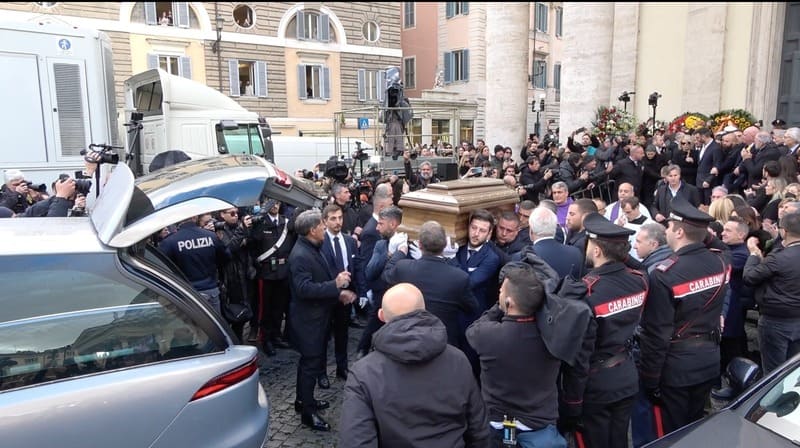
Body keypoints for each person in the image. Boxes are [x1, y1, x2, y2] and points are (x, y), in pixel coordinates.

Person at [339, 283, 490, 447]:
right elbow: (478, 430)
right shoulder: (458, 359)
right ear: (425, 311)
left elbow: (356, 441)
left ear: (381, 316)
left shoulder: (364, 372)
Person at [638, 198, 729, 436]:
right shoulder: (720, 260)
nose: (666, 231)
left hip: (675, 367)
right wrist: (701, 233)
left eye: (669, 227)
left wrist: (650, 378)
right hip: (708, 359)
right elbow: (720, 245)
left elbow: (657, 334)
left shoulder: (664, 274)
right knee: (696, 426)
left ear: (679, 231)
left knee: (672, 435)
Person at [559, 213, 648, 448]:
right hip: (626, 375)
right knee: (619, 440)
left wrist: (572, 401)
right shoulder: (639, 280)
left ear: (597, 251)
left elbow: (580, 356)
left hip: (596, 385)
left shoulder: (587, 291)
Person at [466, 263, 567, 448]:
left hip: (496, 423)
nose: (499, 294)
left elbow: (473, 330)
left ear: (509, 302)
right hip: (539, 426)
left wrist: (498, 307)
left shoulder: (488, 335)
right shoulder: (554, 336)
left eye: (501, 292)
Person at [288, 209, 354, 431]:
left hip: (317, 318)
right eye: (321, 226)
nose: (325, 229)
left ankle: (302, 400)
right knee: (310, 365)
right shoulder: (300, 255)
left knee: (309, 363)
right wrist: (335, 285)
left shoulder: (312, 248)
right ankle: (308, 413)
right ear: (311, 230)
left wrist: (337, 293)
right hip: (308, 322)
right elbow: (303, 289)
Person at [382, 220, 478, 349]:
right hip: (444, 342)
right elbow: (472, 308)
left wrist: (401, 251)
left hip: (407, 339)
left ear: (419, 245)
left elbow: (387, 273)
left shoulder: (403, 268)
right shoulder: (459, 277)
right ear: (445, 245)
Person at [743, 212, 800, 373]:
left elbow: (749, 277)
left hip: (776, 322)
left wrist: (754, 254)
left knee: (774, 373)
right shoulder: (780, 255)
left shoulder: (779, 258)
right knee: (794, 370)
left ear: (784, 231)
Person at [320, 204, 362, 383]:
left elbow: (357, 267)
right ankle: (320, 372)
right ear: (324, 221)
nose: (338, 222)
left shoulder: (350, 241)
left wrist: (358, 291)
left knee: (342, 333)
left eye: (340, 218)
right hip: (327, 296)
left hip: (347, 296)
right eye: (333, 219)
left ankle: (342, 367)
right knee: (323, 336)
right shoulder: (320, 243)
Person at [159, 214, 231, 314]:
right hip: (210, 290)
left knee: (193, 327)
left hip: (187, 293)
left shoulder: (170, 241)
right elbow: (226, 257)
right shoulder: (211, 236)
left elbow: (159, 265)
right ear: (195, 218)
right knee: (214, 327)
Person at [249, 200, 295, 355]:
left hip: (283, 270)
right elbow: (253, 242)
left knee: (279, 306)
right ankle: (265, 339)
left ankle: (276, 335)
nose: (275, 206)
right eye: (271, 203)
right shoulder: (261, 223)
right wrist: (260, 217)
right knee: (265, 308)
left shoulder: (286, 222)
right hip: (266, 272)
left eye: (277, 203)